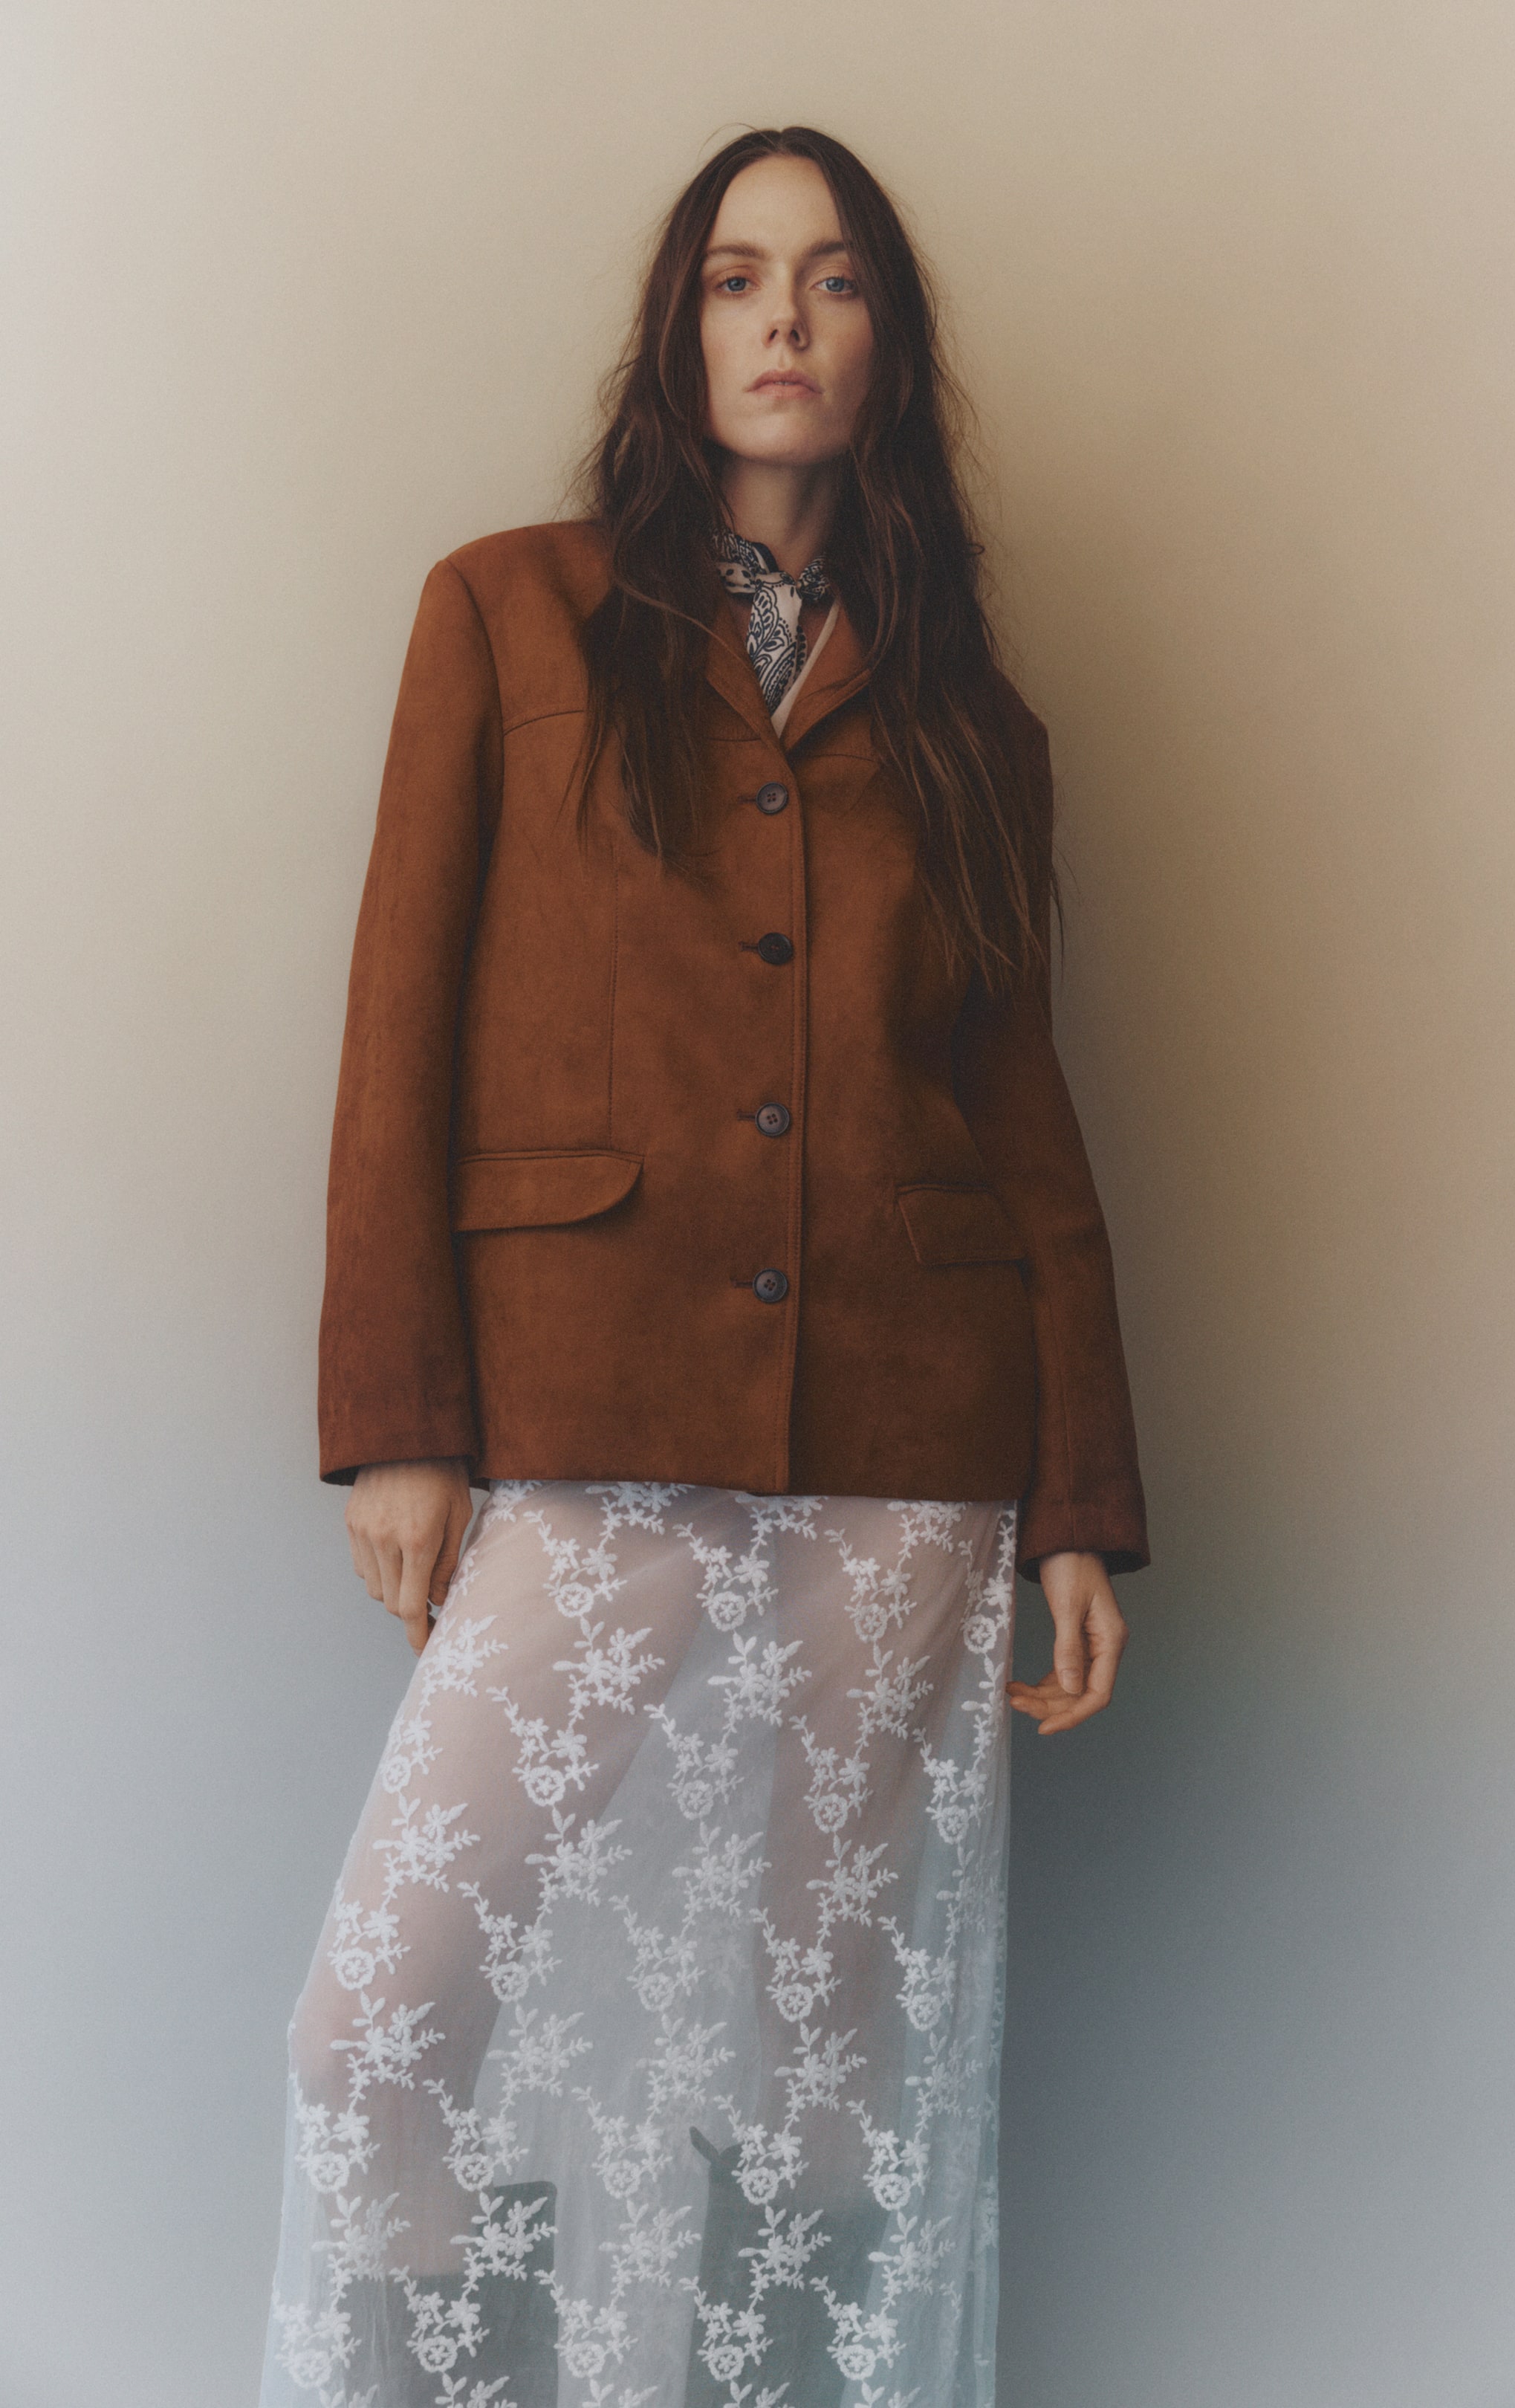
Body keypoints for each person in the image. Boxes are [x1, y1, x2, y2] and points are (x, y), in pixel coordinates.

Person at [260, 124, 1148, 2408]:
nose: (784, 319)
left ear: (887, 347)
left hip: (906, 1439)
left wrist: (1079, 1498)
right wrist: (399, 1422)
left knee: (822, 2065)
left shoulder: (971, 716)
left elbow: (1022, 1108)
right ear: (680, 328)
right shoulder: (506, 612)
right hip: (591, 1408)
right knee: (381, 2026)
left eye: (834, 281)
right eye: (741, 276)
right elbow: (399, 1020)